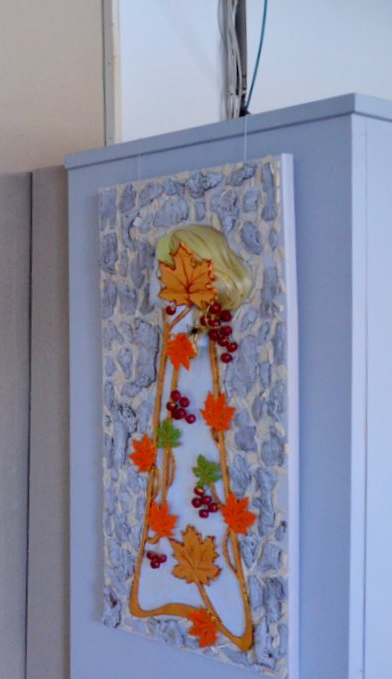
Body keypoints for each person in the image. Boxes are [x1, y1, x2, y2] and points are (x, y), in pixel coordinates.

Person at [128, 224, 257, 651]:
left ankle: (211, 591)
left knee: (200, 484)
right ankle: (170, 585)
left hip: (198, 417)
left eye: (167, 267)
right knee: (176, 486)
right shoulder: (180, 319)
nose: (160, 280)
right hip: (180, 415)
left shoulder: (204, 325)